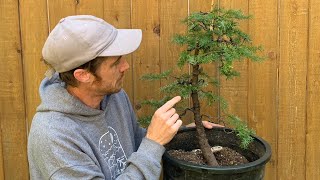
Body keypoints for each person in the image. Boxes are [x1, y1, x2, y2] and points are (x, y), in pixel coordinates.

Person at [27, 15, 219, 180]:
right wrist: (153, 142)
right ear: (83, 75)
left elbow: (136, 144)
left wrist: (180, 135)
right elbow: (148, 148)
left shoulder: (112, 97)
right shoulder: (54, 137)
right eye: (116, 62)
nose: (125, 66)